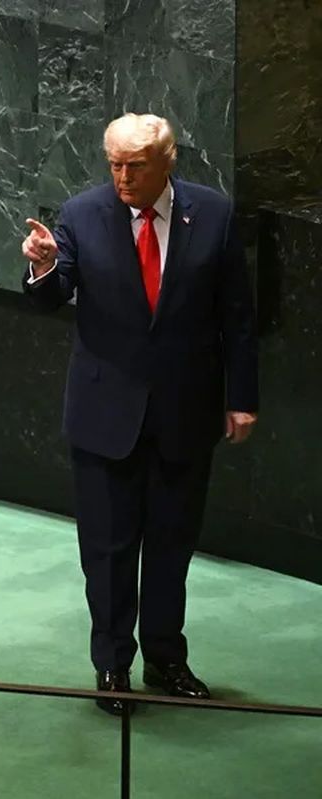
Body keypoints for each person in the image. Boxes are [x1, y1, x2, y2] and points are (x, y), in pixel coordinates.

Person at [20, 112, 258, 715]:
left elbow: (237, 314)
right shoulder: (79, 215)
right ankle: (112, 668)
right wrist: (44, 265)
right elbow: (52, 297)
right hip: (106, 418)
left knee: (172, 547)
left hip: (185, 411)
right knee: (107, 550)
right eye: (114, 165)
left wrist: (242, 397)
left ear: (167, 162)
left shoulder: (213, 214)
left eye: (135, 166)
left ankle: (165, 658)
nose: (122, 177)